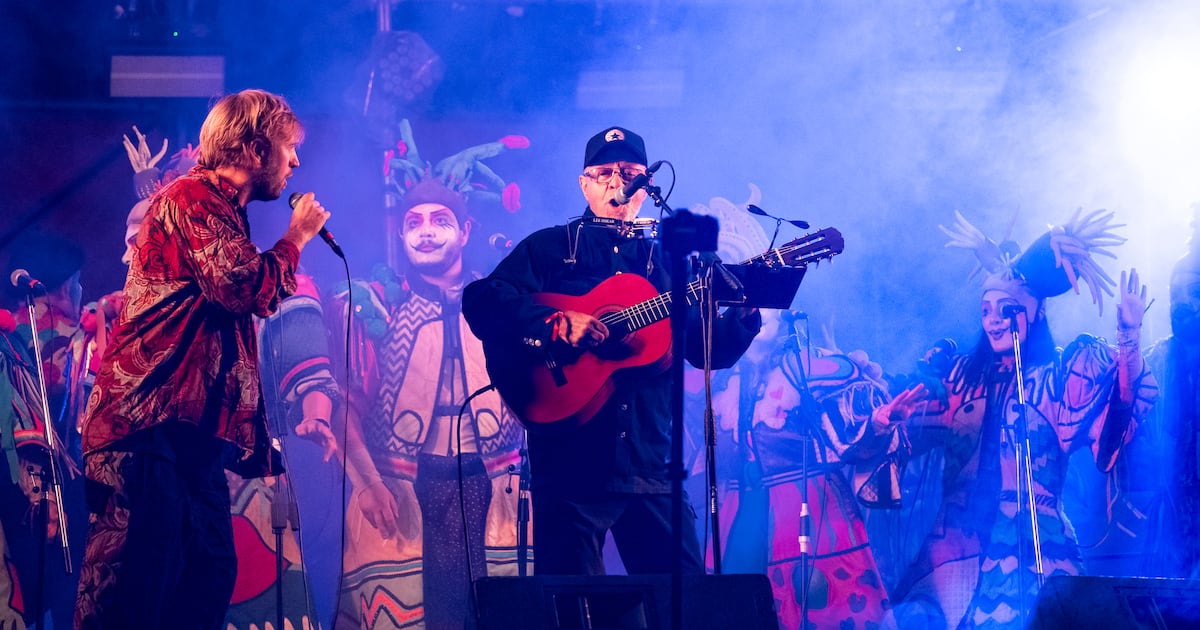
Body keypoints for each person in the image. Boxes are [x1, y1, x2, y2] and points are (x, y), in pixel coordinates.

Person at [73, 89, 330, 629]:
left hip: (191, 439)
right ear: (256, 149)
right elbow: (245, 288)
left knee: (207, 578)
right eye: (289, 149)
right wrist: (296, 237)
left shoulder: (223, 213)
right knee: (138, 594)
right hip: (145, 429)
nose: (296, 163)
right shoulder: (191, 197)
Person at [461, 126, 762, 576]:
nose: (615, 181)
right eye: (603, 172)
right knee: (574, 609)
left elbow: (705, 353)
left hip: (653, 464)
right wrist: (555, 325)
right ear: (583, 183)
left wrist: (744, 309)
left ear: (648, 185)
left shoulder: (671, 260)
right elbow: (482, 302)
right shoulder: (551, 248)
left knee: (685, 606)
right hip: (569, 467)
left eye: (629, 172)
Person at [885, 210, 1157, 630]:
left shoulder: (1056, 379)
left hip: (1037, 547)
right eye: (986, 309)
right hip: (953, 549)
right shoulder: (961, 377)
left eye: (1006, 309)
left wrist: (1128, 336)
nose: (993, 319)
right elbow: (907, 427)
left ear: (1037, 313)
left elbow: (1111, 436)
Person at [334, 120, 528, 629]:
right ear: (400, 232)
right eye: (413, 220)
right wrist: (367, 481)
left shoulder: (502, 303)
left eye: (438, 220)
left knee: (494, 616)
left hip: (496, 490)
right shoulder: (376, 308)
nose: (424, 230)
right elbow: (345, 405)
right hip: (401, 493)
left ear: (464, 231)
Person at [686, 188, 907, 629]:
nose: (751, 309)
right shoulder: (715, 378)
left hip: (804, 515)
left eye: (761, 299)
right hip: (733, 516)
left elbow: (853, 437)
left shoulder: (816, 368)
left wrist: (877, 428)